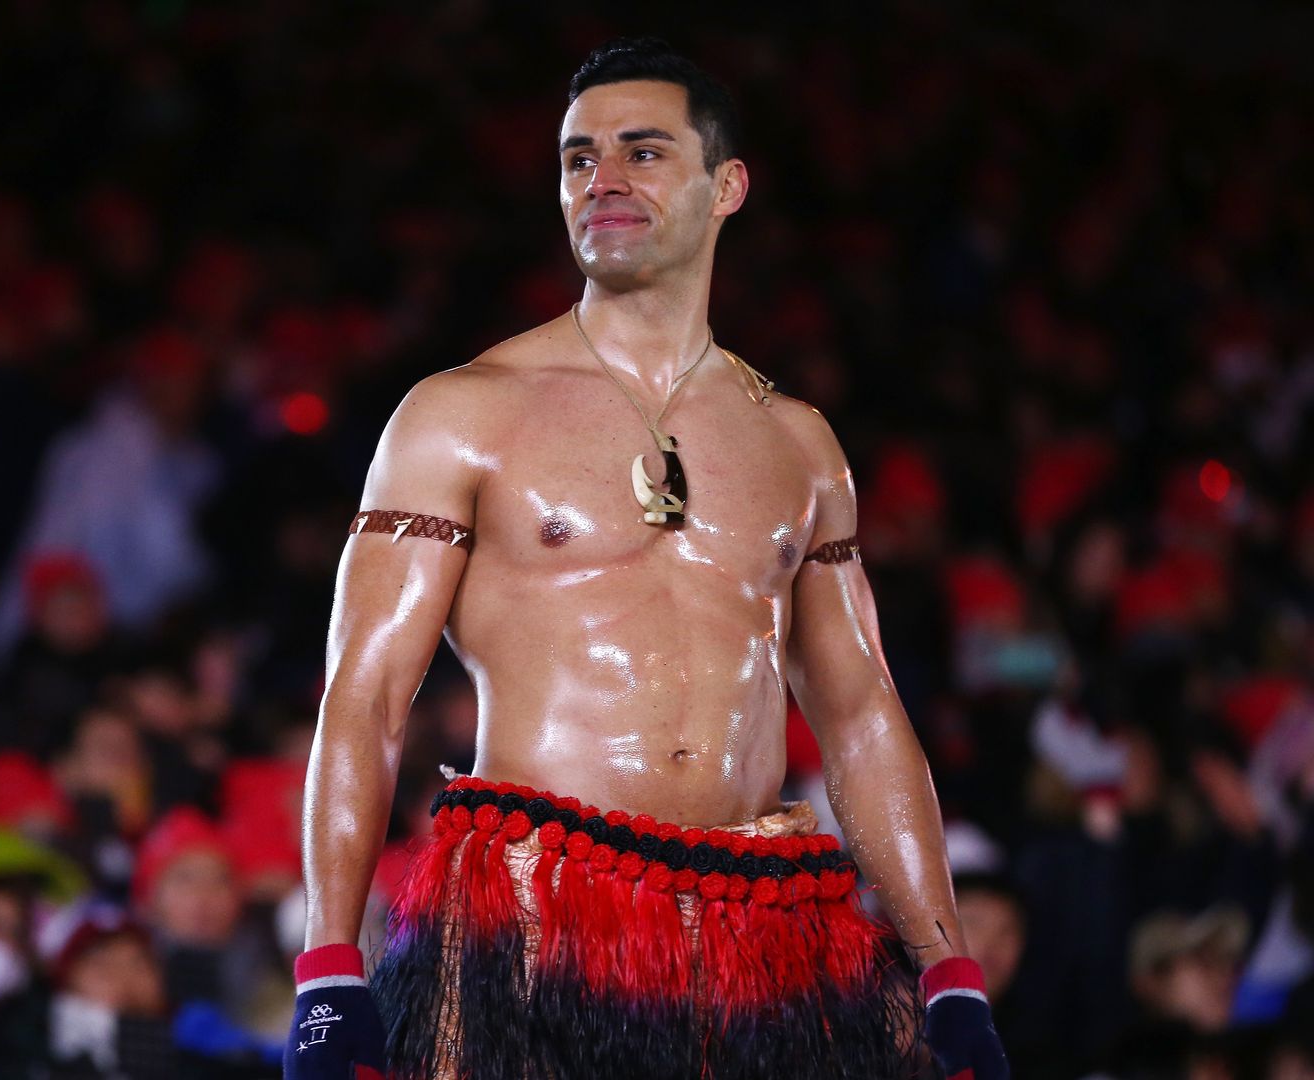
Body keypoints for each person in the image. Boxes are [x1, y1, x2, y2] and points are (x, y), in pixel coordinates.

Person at [289, 37, 1008, 1080]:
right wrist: (328, 968)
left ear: (728, 187)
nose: (604, 180)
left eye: (642, 152)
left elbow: (859, 710)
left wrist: (947, 969)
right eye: (579, 158)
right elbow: (364, 698)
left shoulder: (799, 443)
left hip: (758, 932)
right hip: (530, 916)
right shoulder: (460, 415)